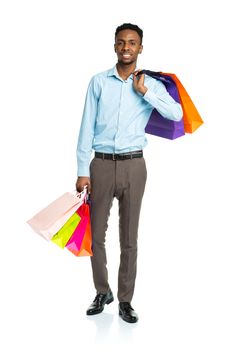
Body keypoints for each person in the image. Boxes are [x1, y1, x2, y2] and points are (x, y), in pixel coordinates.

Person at [76, 23, 183, 323]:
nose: (126, 47)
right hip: (100, 165)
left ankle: (125, 300)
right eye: (121, 42)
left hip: (135, 165)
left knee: (129, 237)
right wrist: (82, 170)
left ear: (140, 48)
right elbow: (86, 127)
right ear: (114, 46)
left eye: (132, 43)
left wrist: (145, 91)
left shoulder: (150, 83)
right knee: (95, 234)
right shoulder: (98, 82)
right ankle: (102, 291)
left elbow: (175, 113)